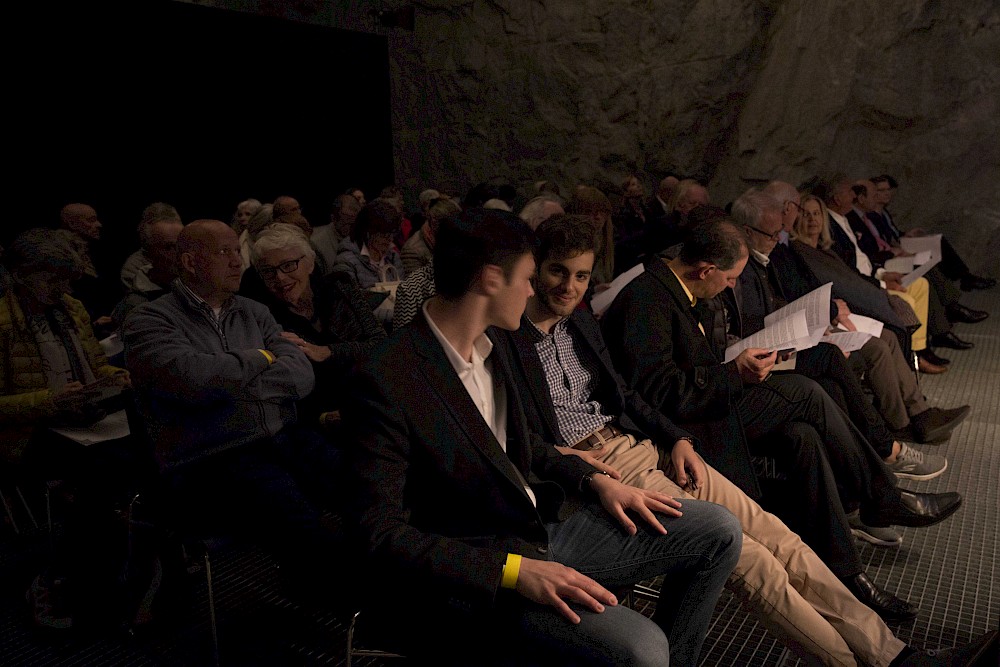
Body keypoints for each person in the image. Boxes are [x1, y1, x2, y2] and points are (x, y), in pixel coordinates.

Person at [502, 214, 987, 667]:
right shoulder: (508, 336)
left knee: (780, 536)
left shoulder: (579, 321)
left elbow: (626, 396)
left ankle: (894, 654)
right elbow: (522, 436)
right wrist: (583, 469)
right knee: (753, 561)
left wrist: (677, 440)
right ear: (533, 271)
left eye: (581, 276)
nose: (569, 286)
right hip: (601, 468)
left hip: (646, 445)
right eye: (558, 272)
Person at [343, 208, 742, 667]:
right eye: (528, 278)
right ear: (492, 279)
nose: (533, 291)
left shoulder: (493, 345)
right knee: (644, 649)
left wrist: (594, 481)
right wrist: (514, 570)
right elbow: (377, 533)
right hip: (480, 569)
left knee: (720, 530)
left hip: (541, 526)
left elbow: (520, 444)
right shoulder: (387, 376)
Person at [600, 219, 963, 622]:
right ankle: (881, 496)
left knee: (802, 434)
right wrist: (734, 373)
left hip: (709, 405)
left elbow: (693, 365)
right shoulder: (647, 300)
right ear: (705, 270)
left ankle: (848, 574)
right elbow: (658, 394)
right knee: (807, 393)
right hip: (688, 427)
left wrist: (737, 364)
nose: (731, 286)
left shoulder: (678, 290)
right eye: (729, 279)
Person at [123, 219, 348, 600]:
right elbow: (193, 379)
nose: (237, 262)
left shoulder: (253, 311)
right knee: (295, 515)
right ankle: (351, 603)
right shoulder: (149, 320)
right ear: (191, 263)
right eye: (225, 252)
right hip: (210, 457)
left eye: (236, 251)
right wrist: (262, 357)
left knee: (363, 481)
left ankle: (371, 577)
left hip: (280, 436)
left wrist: (227, 384)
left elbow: (300, 375)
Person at [250, 223, 385, 431]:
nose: (280, 278)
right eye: (269, 271)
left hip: (375, 400)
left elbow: (382, 344)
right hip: (320, 424)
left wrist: (328, 352)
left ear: (310, 263)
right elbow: (283, 392)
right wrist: (323, 418)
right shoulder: (268, 319)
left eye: (288, 265)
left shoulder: (340, 287)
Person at [112, 209, 184, 329]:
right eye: (169, 247)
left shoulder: (199, 287)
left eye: (183, 245)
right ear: (149, 253)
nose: (181, 253)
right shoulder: (137, 305)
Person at [332, 199, 404, 289]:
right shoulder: (347, 261)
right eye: (384, 234)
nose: (390, 239)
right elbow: (346, 296)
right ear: (368, 231)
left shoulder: (393, 257)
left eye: (392, 233)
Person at [400, 194, 460, 276]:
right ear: (434, 222)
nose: (456, 229)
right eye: (451, 225)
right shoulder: (412, 250)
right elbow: (415, 283)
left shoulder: (455, 240)